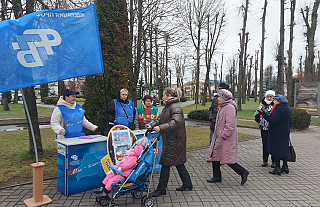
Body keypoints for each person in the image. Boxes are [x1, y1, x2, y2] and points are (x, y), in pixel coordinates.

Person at [146, 87, 193, 197]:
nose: (162, 97)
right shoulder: (168, 107)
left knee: (165, 163)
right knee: (178, 162)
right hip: (172, 139)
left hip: (174, 140)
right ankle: (187, 183)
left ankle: (161, 189)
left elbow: (176, 123)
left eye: (163, 95)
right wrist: (152, 125)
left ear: (169, 96)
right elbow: (160, 119)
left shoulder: (175, 107)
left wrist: (160, 128)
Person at [206, 89, 249, 185]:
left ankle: (243, 172)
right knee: (215, 156)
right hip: (218, 136)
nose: (218, 98)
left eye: (220, 97)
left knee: (227, 158)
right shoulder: (222, 106)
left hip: (225, 138)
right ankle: (216, 176)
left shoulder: (229, 107)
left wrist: (223, 135)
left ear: (225, 98)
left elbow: (230, 125)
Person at [259, 95, 292, 175]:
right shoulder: (288, 109)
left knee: (276, 149)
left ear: (279, 101)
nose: (273, 101)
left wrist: (263, 114)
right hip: (285, 131)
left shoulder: (279, 109)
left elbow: (273, 120)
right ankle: (285, 166)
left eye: (275, 100)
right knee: (284, 148)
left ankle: (277, 168)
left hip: (276, 132)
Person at [208, 82, 230, 162]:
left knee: (222, 143)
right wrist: (211, 117)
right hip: (214, 124)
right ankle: (212, 155)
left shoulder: (229, 101)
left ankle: (222, 158)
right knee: (212, 141)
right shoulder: (215, 99)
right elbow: (210, 109)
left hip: (222, 126)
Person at [254, 90, 276, 167]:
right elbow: (257, 114)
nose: (269, 98)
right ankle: (265, 160)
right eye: (268, 96)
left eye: (271, 97)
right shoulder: (262, 104)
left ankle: (274, 161)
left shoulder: (275, 104)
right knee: (265, 144)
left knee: (273, 144)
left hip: (273, 128)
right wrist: (259, 120)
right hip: (264, 128)